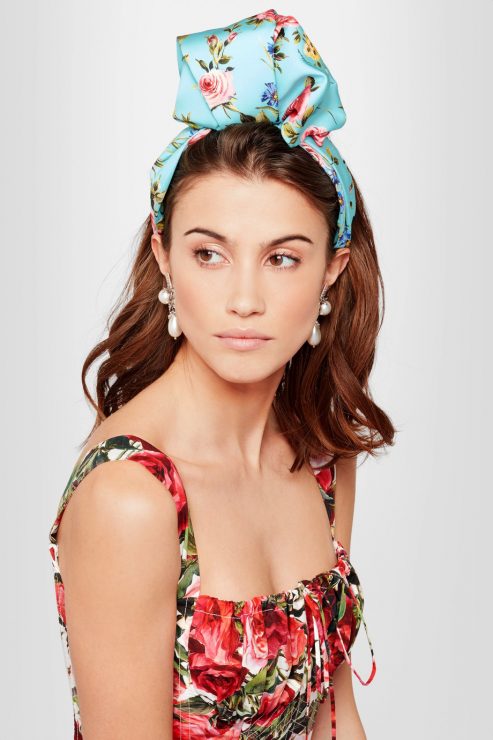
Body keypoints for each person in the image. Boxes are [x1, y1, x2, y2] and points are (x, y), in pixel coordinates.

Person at [48, 8, 394, 739]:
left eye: (282, 258)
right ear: (164, 254)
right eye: (209, 253)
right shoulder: (132, 497)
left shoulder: (321, 456)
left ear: (331, 271)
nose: (243, 298)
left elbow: (335, 717)